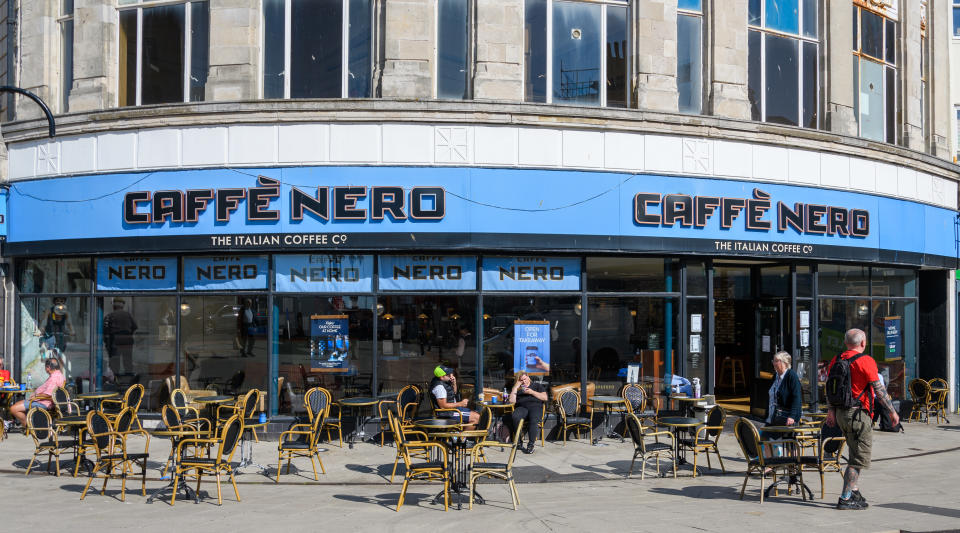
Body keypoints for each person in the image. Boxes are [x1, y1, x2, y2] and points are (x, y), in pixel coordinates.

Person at [825, 328, 900, 511]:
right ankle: (845, 498)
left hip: (842, 414)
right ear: (863, 343)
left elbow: (829, 388)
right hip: (858, 415)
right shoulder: (866, 361)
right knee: (859, 458)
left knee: (854, 451)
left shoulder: (837, 359)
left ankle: (855, 491)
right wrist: (892, 411)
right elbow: (879, 390)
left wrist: (831, 411)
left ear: (845, 343)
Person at [8, 358, 66, 428]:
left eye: (45, 367)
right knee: (18, 404)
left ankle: (28, 427)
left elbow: (49, 394)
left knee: (13, 409)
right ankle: (30, 423)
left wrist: (36, 395)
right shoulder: (59, 375)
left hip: (44, 403)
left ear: (48, 367)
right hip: (42, 401)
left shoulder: (54, 378)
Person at [507, 371, 548, 454]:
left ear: (528, 377)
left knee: (534, 419)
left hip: (535, 406)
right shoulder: (517, 390)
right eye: (521, 380)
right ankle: (519, 442)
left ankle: (531, 444)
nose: (524, 382)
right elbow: (511, 401)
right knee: (515, 416)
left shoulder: (537, 386)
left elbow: (545, 397)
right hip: (522, 407)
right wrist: (515, 387)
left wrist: (532, 392)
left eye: (525, 379)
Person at [767, 351, 802, 426]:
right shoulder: (775, 376)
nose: (774, 363)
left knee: (765, 437)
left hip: (786, 419)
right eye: (773, 361)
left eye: (776, 361)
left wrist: (792, 416)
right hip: (773, 417)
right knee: (762, 436)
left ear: (785, 363)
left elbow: (796, 398)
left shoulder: (791, 376)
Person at [103, 298, 138, 375]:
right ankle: (128, 377)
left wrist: (107, 342)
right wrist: (129, 333)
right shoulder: (128, 315)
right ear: (123, 306)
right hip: (127, 340)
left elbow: (105, 330)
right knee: (127, 360)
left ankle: (115, 378)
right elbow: (135, 326)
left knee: (115, 360)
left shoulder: (109, 316)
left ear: (114, 306)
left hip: (115, 339)